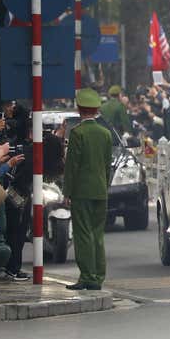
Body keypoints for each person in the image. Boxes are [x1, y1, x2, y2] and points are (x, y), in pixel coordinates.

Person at [63, 88, 113, 291]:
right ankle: (98, 278)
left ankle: (87, 276)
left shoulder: (77, 133)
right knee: (98, 234)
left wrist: (67, 192)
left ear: (79, 109)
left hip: (82, 192)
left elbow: (72, 166)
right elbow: (107, 164)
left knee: (83, 234)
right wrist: (105, 185)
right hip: (100, 190)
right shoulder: (106, 133)